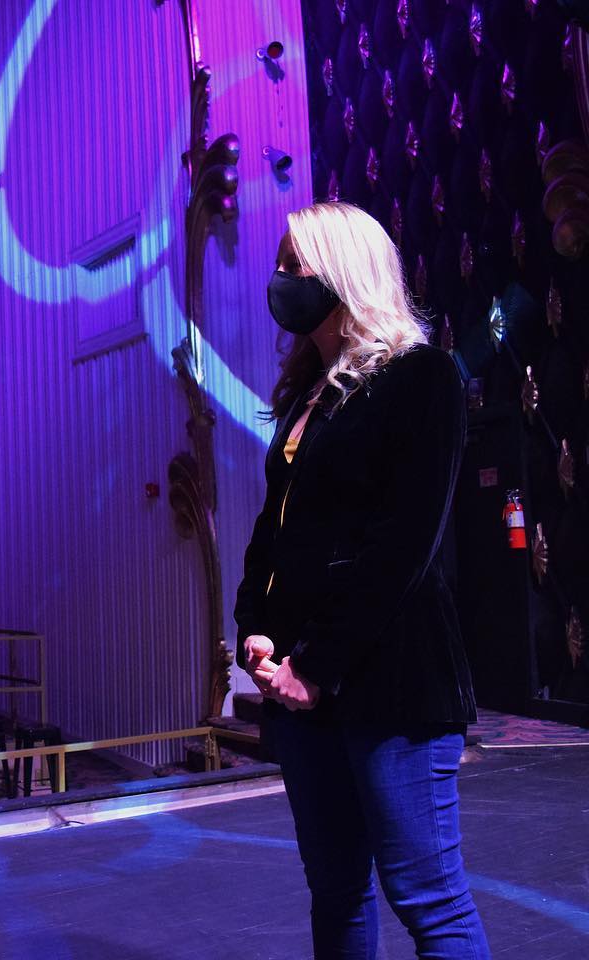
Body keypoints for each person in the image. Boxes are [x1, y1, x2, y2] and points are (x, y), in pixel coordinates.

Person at [234, 201, 490, 958]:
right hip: (301, 691)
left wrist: (316, 664)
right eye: (280, 264)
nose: (280, 278)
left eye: (295, 264)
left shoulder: (421, 376)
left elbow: (400, 546)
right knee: (337, 892)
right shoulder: (304, 397)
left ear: (345, 271)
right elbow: (276, 530)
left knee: (428, 897)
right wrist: (257, 627)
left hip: (391, 682)